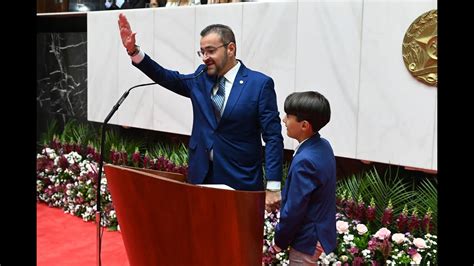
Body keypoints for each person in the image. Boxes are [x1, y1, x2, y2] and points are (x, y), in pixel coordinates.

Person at [117, 13, 283, 210]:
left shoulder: (259, 84)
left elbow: (273, 136)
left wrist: (273, 186)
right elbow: (167, 77)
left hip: (240, 179)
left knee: (236, 240)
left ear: (231, 48)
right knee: (202, 236)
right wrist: (134, 51)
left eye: (210, 51)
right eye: (202, 52)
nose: (205, 58)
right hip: (202, 174)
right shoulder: (200, 77)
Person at [272, 91, 336, 265]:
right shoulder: (323, 146)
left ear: (304, 125)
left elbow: (295, 208)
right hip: (319, 233)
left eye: (288, 116)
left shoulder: (305, 160)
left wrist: (279, 241)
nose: (284, 120)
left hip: (307, 239)